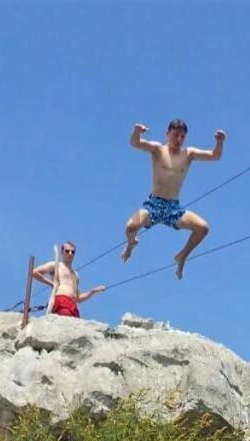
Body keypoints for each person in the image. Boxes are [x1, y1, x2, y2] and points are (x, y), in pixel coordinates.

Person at [122, 119, 226, 279]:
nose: (179, 139)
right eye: (175, 135)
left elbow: (215, 156)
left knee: (203, 228)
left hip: (173, 208)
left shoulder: (188, 154)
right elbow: (135, 143)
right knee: (130, 227)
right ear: (167, 134)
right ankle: (131, 244)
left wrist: (219, 142)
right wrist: (137, 131)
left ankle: (182, 255)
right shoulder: (158, 149)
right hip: (153, 205)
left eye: (182, 136)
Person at [32, 242, 105, 318]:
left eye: (73, 252)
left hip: (73, 305)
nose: (70, 254)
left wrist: (93, 291)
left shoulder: (75, 275)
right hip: (61, 301)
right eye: (67, 251)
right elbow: (34, 272)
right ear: (62, 252)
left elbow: (78, 298)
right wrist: (51, 284)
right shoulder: (56, 265)